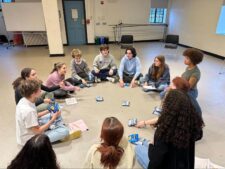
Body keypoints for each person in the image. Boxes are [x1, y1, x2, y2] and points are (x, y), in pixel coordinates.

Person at [135, 89, 204, 169]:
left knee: (139, 148)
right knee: (146, 143)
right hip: (184, 164)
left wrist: (152, 144)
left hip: (165, 164)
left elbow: (155, 161)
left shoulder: (164, 133)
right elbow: (199, 136)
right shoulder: (191, 125)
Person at [16, 79, 69, 145]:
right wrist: (53, 119)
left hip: (32, 127)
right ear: (33, 94)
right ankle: (57, 126)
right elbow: (38, 131)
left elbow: (35, 115)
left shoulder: (24, 100)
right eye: (39, 90)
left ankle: (56, 125)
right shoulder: (28, 111)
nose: (41, 91)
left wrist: (48, 111)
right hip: (31, 140)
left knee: (54, 113)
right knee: (65, 131)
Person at [136, 77, 202, 128]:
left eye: (172, 85)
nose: (170, 86)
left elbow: (165, 116)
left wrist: (144, 122)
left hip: (190, 127)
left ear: (178, 89)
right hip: (193, 122)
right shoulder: (185, 95)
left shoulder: (178, 100)